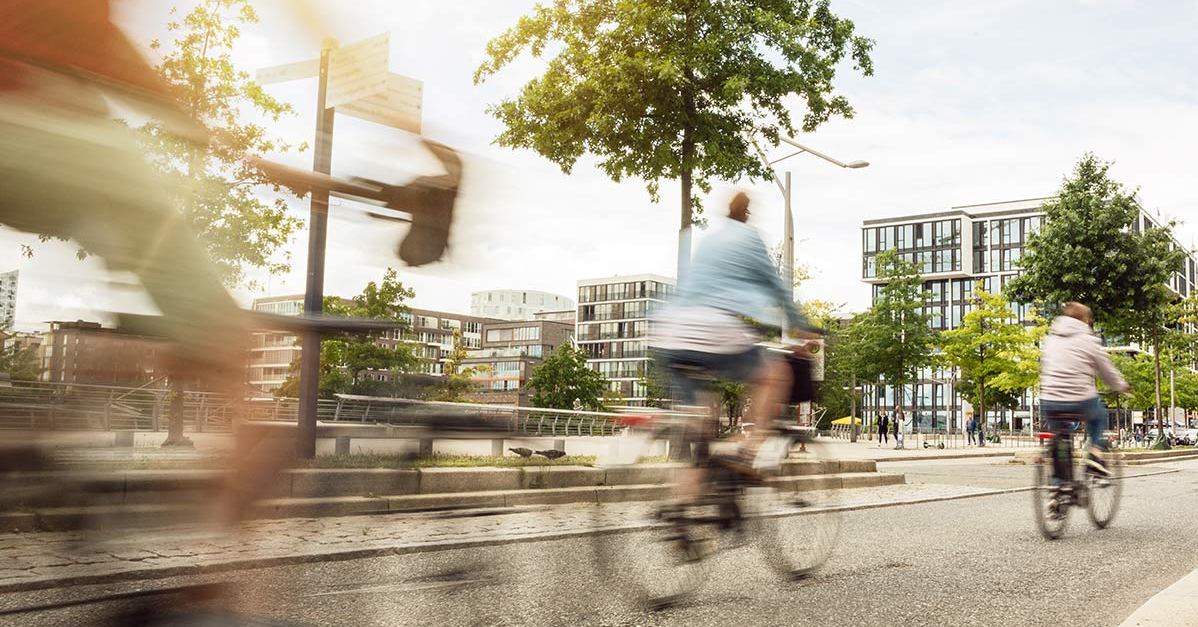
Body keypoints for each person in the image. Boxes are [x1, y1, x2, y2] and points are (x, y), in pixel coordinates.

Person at [651, 191, 819, 482]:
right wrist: (801, 326)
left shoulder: (709, 240)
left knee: (699, 423)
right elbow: (776, 287)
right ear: (746, 214)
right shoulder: (749, 238)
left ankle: (679, 513)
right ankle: (746, 450)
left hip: (671, 333)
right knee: (775, 375)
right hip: (713, 328)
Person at [1040, 302, 1130, 476]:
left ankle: (1057, 488)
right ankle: (1094, 456)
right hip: (1080, 399)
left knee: (1060, 438)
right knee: (1099, 416)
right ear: (1086, 320)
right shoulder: (1089, 340)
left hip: (1049, 400)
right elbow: (1107, 372)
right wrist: (1121, 386)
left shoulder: (1051, 339)